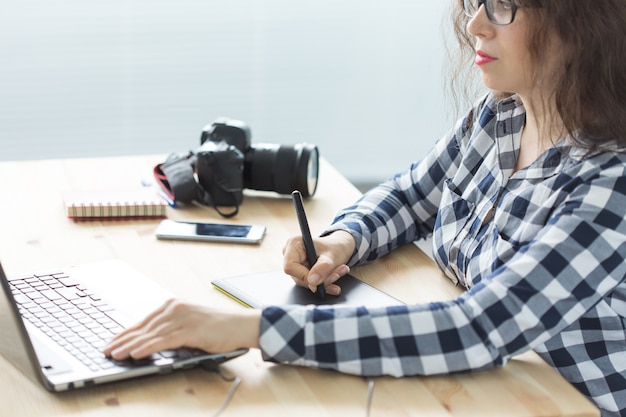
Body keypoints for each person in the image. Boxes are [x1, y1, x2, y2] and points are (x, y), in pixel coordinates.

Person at [104, 1, 626, 415]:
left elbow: (476, 330)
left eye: (505, 5)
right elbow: (412, 196)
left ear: (585, 22)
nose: (474, 25)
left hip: (562, 403)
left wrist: (249, 329)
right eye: (479, 1)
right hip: (486, 389)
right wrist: (343, 239)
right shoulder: (501, 114)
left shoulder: (612, 187)